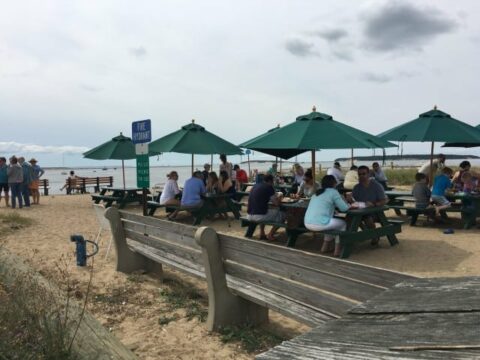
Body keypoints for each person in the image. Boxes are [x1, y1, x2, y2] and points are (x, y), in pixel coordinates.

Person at [304, 175, 351, 257]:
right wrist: (350, 204)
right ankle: (337, 250)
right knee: (343, 224)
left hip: (307, 222)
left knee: (329, 222)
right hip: (319, 223)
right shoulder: (333, 192)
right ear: (334, 183)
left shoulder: (317, 192)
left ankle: (324, 247)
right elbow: (344, 208)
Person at [351, 165, 387, 246]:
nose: (361, 176)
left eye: (364, 174)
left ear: (369, 174)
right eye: (359, 174)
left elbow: (384, 201)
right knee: (350, 218)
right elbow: (354, 201)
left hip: (375, 212)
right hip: (360, 211)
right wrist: (350, 200)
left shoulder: (377, 186)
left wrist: (374, 204)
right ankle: (351, 238)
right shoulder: (356, 187)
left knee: (368, 218)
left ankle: (374, 235)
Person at [247, 174, 284, 241]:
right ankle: (270, 234)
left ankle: (262, 233)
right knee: (282, 215)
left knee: (265, 210)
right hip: (259, 216)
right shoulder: (269, 187)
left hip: (249, 214)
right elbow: (276, 203)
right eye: (272, 181)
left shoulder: (255, 186)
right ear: (270, 181)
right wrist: (280, 197)